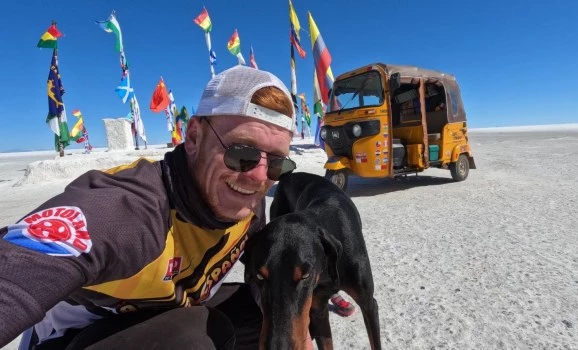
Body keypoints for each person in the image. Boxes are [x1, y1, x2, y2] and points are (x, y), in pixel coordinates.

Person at [0, 65, 338, 349]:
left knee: (262, 310)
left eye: (276, 164)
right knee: (193, 335)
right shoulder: (126, 211)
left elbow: (275, 266)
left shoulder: (245, 209)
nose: (259, 176)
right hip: (72, 338)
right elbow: (16, 272)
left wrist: (314, 292)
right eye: (242, 153)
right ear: (192, 137)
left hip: (158, 318)